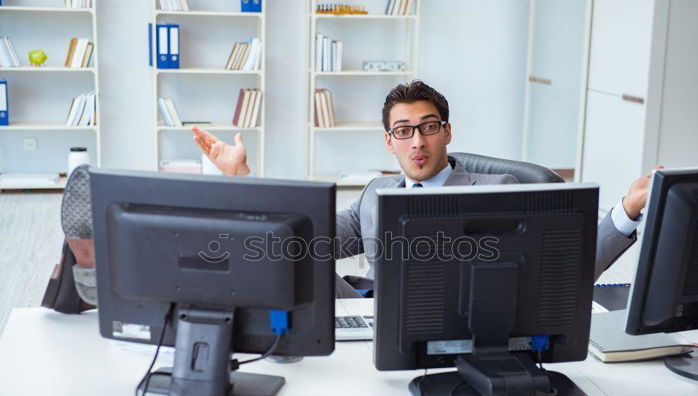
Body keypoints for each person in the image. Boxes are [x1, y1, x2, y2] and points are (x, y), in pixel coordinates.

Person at [192, 80, 656, 298]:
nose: (418, 141)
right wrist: (242, 181)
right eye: (404, 131)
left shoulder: (500, 188)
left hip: (464, 325)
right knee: (296, 261)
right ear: (389, 141)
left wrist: (627, 208)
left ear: (447, 132)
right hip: (372, 319)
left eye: (429, 127)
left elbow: (561, 268)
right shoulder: (376, 193)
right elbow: (305, 236)